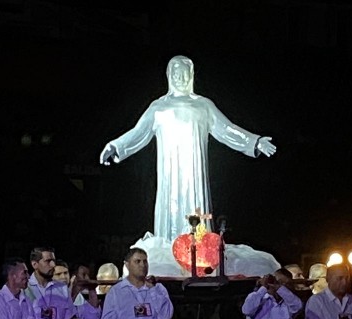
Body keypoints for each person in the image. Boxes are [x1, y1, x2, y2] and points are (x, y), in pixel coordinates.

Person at [99, 55, 277, 242]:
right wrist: (116, 146)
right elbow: (138, 132)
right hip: (170, 172)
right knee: (171, 207)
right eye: (176, 73)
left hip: (195, 171)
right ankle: (170, 244)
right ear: (169, 75)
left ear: (191, 75)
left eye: (184, 73)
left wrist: (254, 142)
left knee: (196, 207)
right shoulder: (159, 107)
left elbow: (227, 129)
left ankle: (200, 250)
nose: (180, 78)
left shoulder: (203, 105)